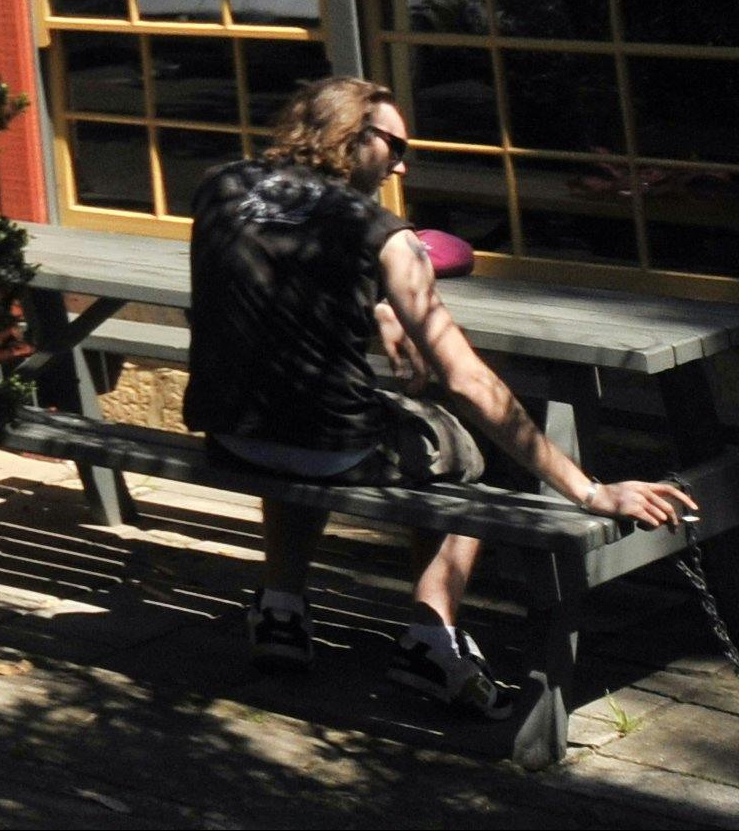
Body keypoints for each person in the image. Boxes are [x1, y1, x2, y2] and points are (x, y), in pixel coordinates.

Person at [192, 75, 698, 708]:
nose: (402, 164)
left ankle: (282, 613)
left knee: (300, 410)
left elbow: (270, 280)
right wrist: (588, 488)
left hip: (230, 435)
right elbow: (467, 380)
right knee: (468, 448)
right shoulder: (382, 232)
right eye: (397, 147)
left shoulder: (219, 188)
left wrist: (373, 307)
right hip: (324, 448)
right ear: (355, 137)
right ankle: (432, 639)